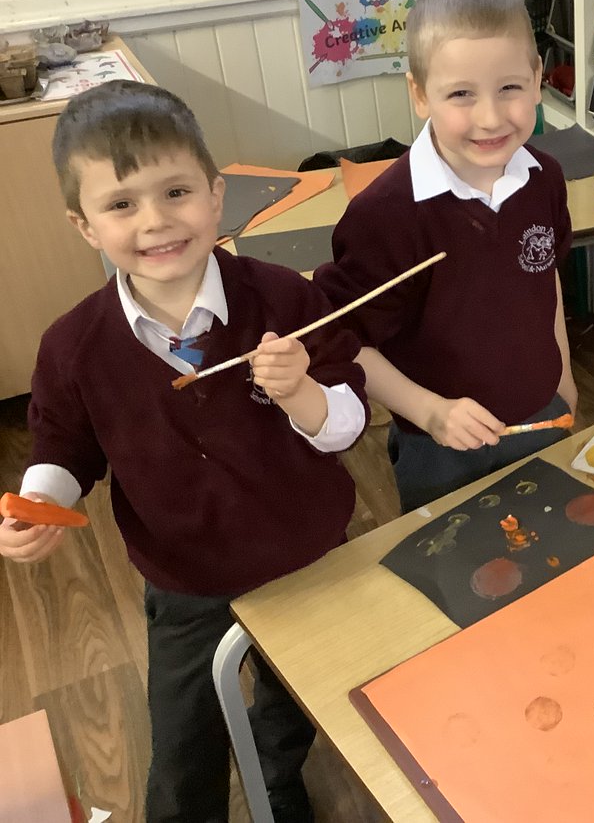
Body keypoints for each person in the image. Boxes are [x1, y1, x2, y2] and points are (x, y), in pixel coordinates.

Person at [0, 81, 368, 823]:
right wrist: (42, 499)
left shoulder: (284, 301)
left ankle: (276, 775)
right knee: (184, 743)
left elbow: (348, 425)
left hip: (308, 555)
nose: (156, 221)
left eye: (176, 192)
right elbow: (65, 444)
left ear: (215, 194)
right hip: (187, 576)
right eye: (121, 204)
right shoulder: (73, 346)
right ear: (84, 226)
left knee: (296, 700)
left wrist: (301, 392)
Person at [315, 0, 576, 512]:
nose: (490, 117)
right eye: (461, 94)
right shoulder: (384, 215)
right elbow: (343, 338)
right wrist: (431, 412)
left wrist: (566, 379)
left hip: (542, 416)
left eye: (510, 88)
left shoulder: (545, 179)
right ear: (419, 93)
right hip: (440, 448)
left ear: (536, 78)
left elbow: (545, 274)